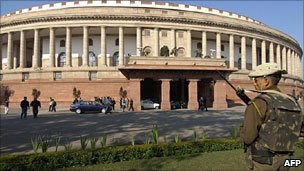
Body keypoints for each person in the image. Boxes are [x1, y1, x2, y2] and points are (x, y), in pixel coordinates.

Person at [240, 63, 304, 170]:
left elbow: (248, 137)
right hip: (288, 160)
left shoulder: (259, 102)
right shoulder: (293, 102)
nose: (254, 83)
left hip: (264, 161)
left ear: (266, 81)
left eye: (256, 80)